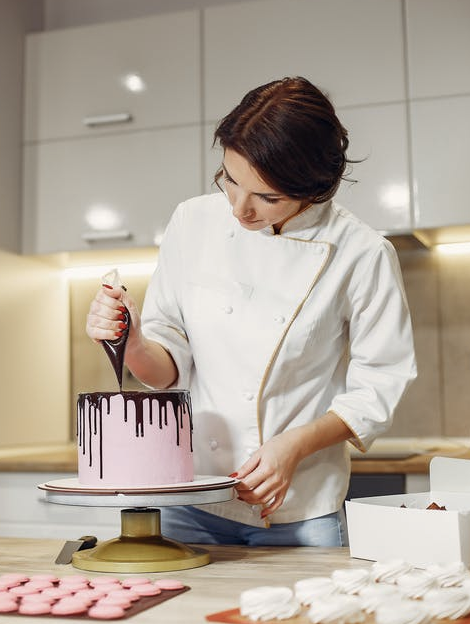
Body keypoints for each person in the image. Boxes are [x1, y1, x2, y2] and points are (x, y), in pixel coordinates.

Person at [86, 76, 416, 547]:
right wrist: (134, 341)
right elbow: (166, 372)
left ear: (317, 187)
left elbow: (379, 385)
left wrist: (292, 447)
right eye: (230, 181)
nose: (240, 210)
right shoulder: (192, 222)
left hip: (300, 511)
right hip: (192, 496)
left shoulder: (362, 253)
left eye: (268, 198)